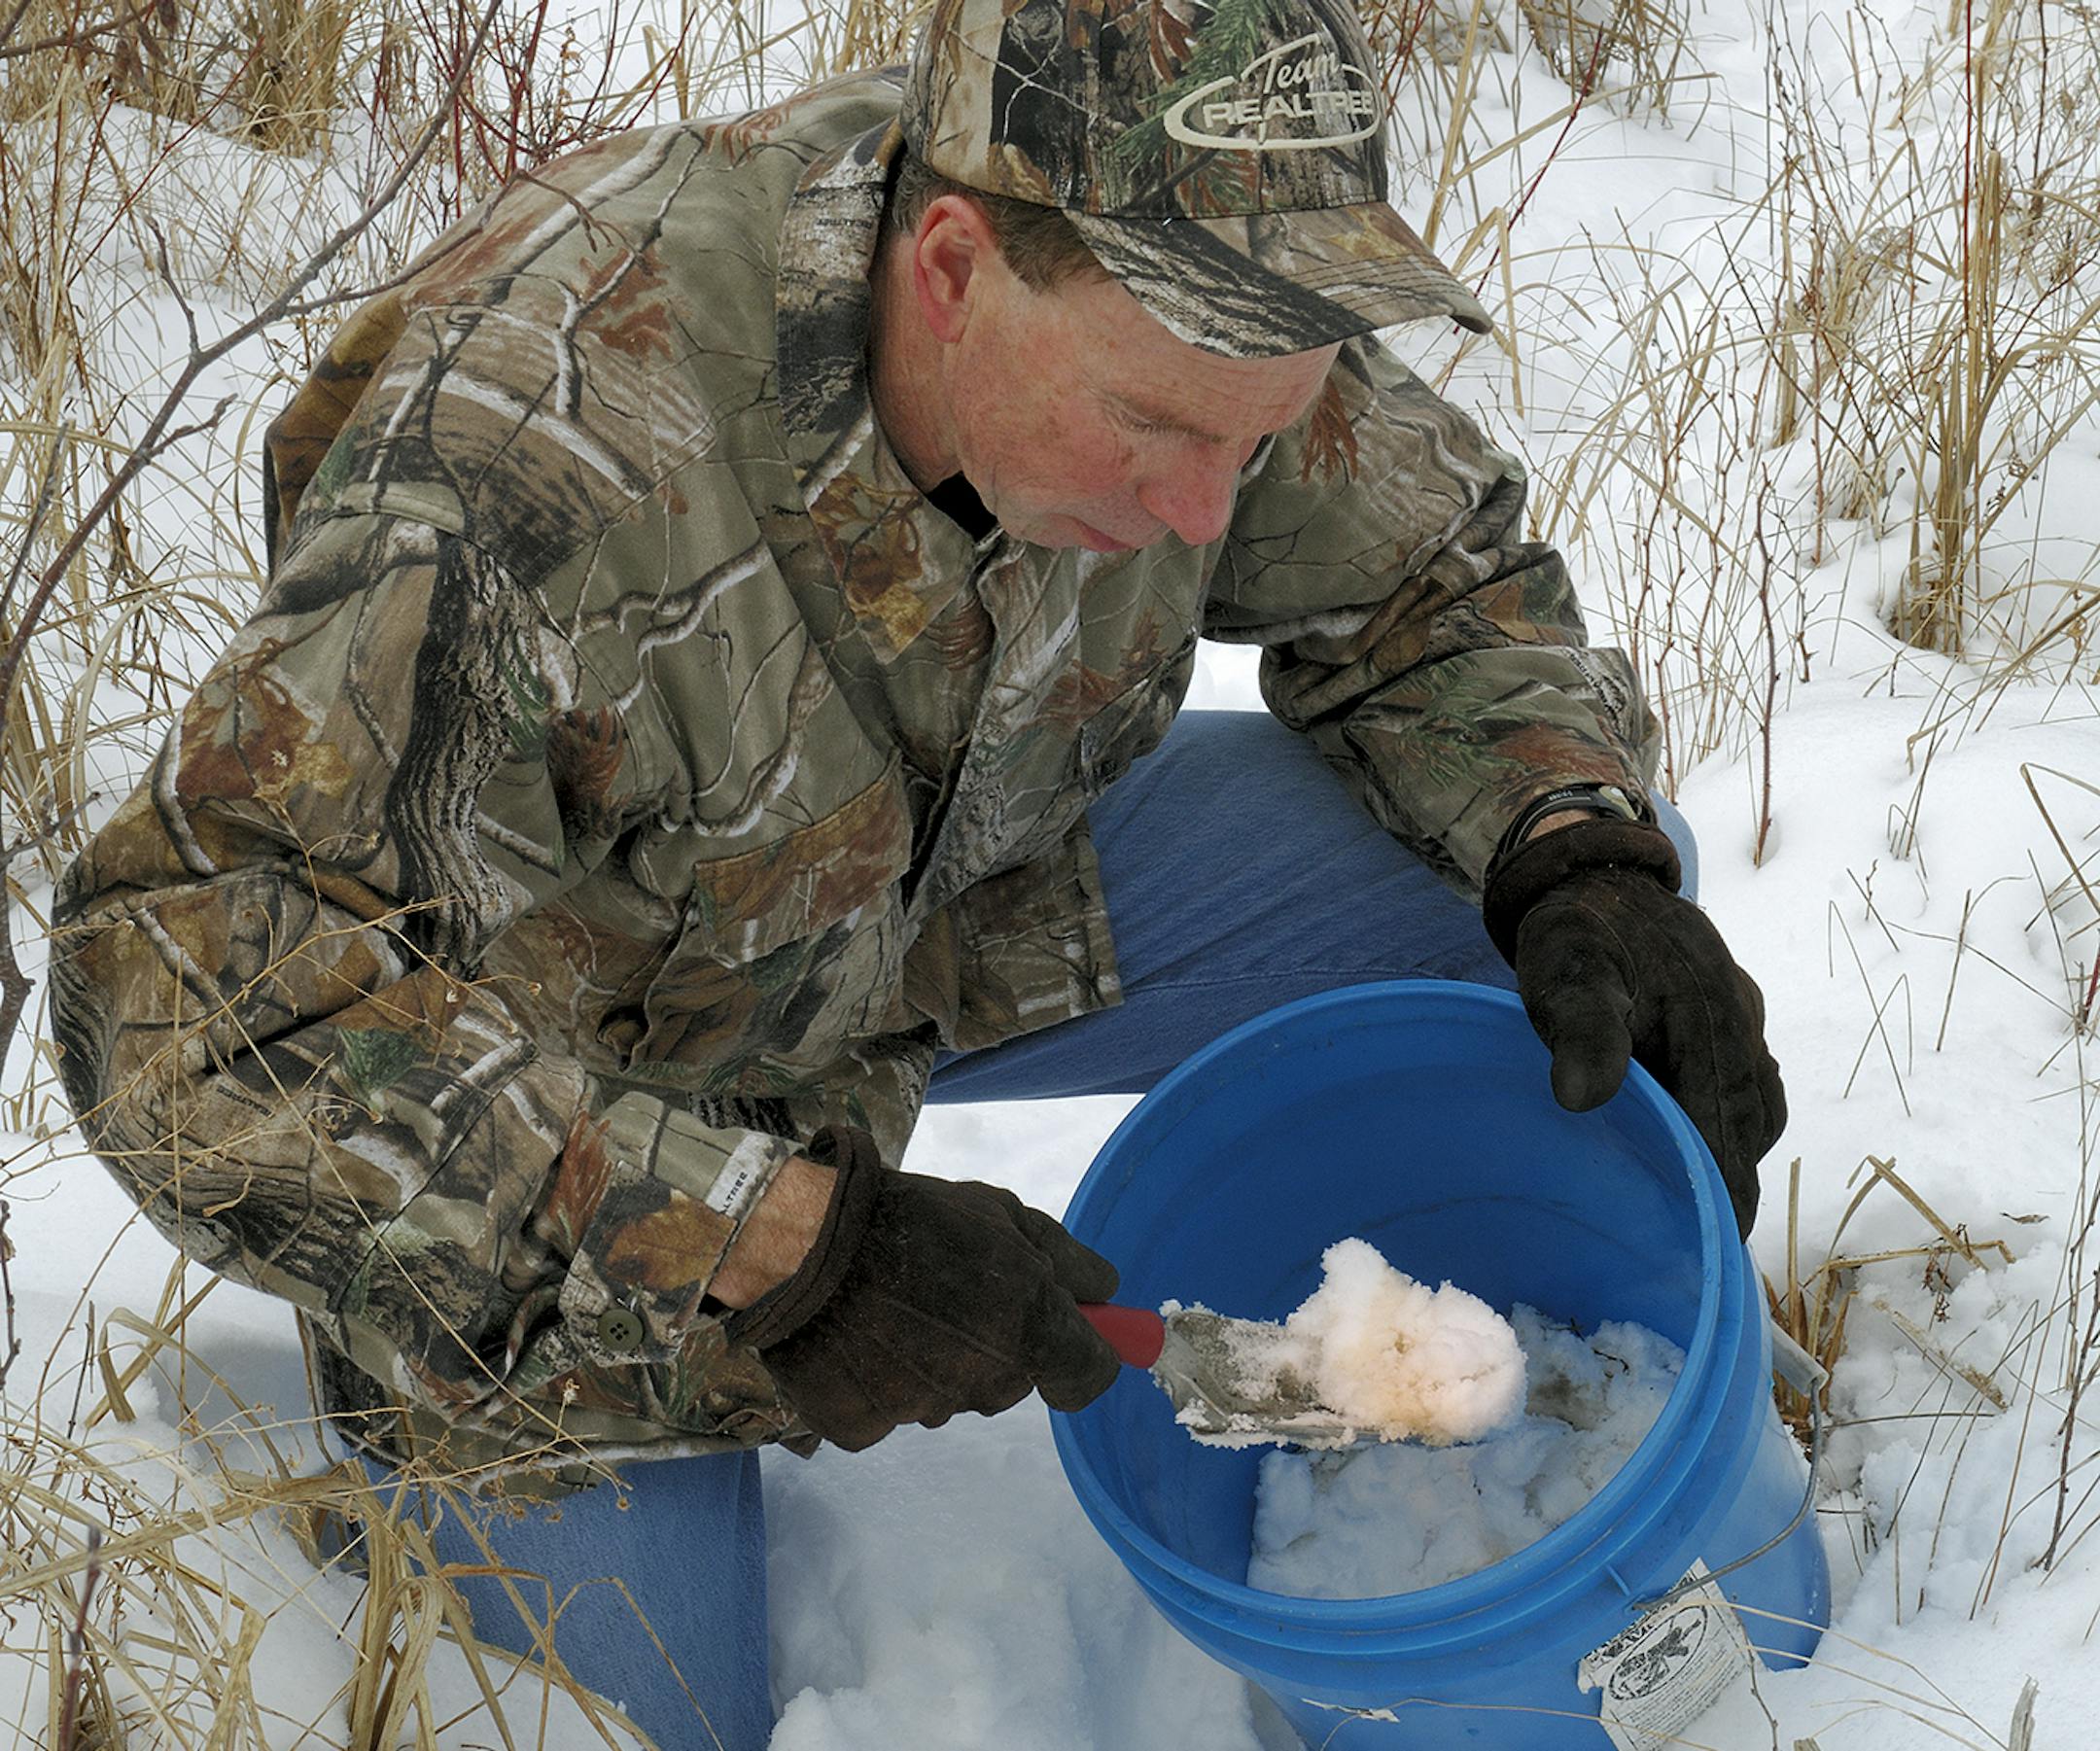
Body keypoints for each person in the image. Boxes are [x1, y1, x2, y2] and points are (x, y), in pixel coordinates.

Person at [49, 0, 1785, 1740]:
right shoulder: (536, 458)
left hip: (947, 894)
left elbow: (1435, 574)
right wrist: (780, 1241)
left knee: (1542, 924)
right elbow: (186, 1004)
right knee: (634, 1720)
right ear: (953, 266)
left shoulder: (1188, 293)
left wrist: (1576, 845)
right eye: (1161, 430)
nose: (1208, 512)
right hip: (579, 1091)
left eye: (1252, 444)